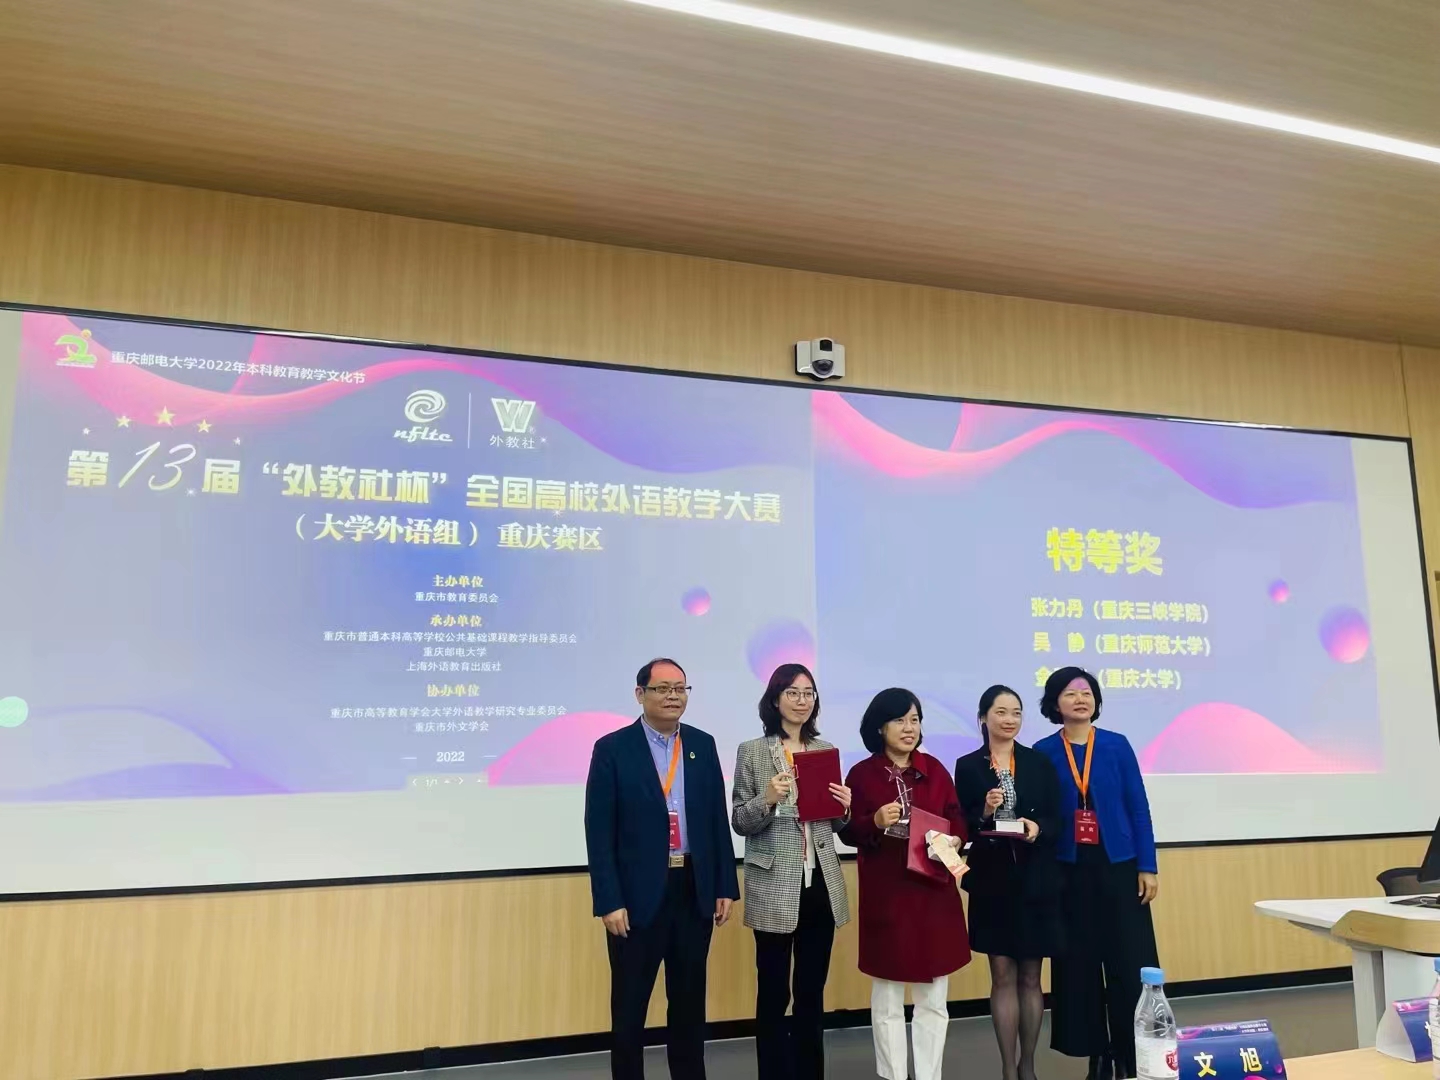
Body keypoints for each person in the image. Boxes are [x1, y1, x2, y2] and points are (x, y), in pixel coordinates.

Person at [584, 658, 741, 1080]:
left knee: (689, 1005)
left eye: (680, 688)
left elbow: (715, 821)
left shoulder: (702, 744)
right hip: (636, 898)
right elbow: (598, 830)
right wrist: (609, 900)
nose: (673, 696)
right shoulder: (613, 748)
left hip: (693, 889)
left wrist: (724, 885)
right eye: (663, 688)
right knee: (630, 1008)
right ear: (641, 694)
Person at [1034, 667, 1160, 1080]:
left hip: (1119, 865)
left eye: (1086, 692)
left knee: (1129, 961)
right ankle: (1096, 1055)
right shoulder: (1042, 752)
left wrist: (1147, 865)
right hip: (1069, 871)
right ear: (1055, 704)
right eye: (1070, 693)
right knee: (1079, 965)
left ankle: (1131, 1053)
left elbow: (1138, 808)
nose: (1080, 699)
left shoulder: (1116, 745)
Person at [840, 687, 971, 1080]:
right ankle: (893, 1075)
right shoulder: (862, 774)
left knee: (934, 999)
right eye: (899, 720)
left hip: (933, 895)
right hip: (889, 896)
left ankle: (929, 1075)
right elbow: (847, 831)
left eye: (914, 719)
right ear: (880, 727)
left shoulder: (935, 769)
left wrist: (954, 840)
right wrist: (875, 821)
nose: (909, 727)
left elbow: (958, 819)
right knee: (887, 999)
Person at [731, 663, 853, 1080]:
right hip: (774, 884)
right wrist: (766, 798)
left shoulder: (824, 750)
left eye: (808, 693)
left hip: (820, 883)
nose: (802, 701)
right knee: (773, 992)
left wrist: (845, 807)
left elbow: (836, 825)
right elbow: (740, 821)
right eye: (793, 693)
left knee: (810, 992)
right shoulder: (752, 751)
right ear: (775, 698)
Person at [953, 685, 1063, 1080]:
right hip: (992, 883)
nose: (1009, 719)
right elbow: (962, 825)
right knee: (1001, 975)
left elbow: (1056, 818)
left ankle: (1027, 1064)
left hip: (1035, 881)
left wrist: (1036, 827)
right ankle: (1007, 1069)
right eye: (1001, 712)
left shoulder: (1038, 762)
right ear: (983, 717)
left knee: (1031, 977)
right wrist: (984, 810)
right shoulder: (967, 766)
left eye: (1016, 712)